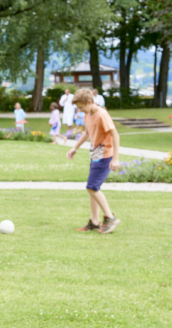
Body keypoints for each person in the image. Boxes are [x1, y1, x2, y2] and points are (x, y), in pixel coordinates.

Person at [66, 88, 121, 234]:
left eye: (82, 107)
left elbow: (115, 135)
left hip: (105, 155)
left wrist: (115, 158)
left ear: (90, 102)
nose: (80, 110)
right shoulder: (88, 114)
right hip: (95, 154)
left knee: (92, 187)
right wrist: (75, 148)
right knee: (92, 189)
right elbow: (87, 133)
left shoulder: (102, 114)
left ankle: (110, 218)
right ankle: (95, 222)